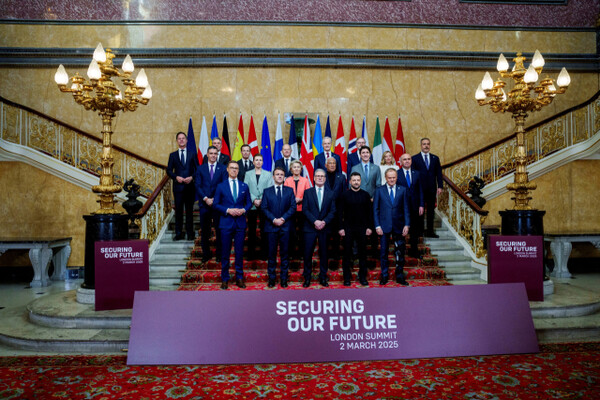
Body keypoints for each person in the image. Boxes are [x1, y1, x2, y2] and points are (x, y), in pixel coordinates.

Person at [214, 161, 252, 289]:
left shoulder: (244, 186)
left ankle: (239, 278)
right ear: (227, 169)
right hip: (226, 223)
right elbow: (216, 204)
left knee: (239, 252)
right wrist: (228, 210)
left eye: (236, 168)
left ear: (238, 170)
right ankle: (225, 279)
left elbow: (249, 203)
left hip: (240, 224)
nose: (234, 170)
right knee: (225, 253)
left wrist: (244, 210)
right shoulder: (220, 186)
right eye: (232, 168)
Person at [373, 168, 410, 286]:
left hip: (399, 226)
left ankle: (399, 276)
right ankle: (384, 276)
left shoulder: (403, 190)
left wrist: (407, 224)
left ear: (397, 177)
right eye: (389, 178)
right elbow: (375, 210)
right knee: (383, 253)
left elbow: (406, 209)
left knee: (400, 252)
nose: (392, 179)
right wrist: (377, 225)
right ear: (385, 178)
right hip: (384, 227)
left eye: (394, 177)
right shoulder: (379, 190)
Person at [261, 167, 297, 288]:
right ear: (273, 176)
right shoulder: (267, 191)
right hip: (271, 227)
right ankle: (272, 278)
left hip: (285, 226)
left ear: (284, 177)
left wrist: (283, 219)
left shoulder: (289, 190)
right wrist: (274, 219)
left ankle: (283, 279)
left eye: (282, 174)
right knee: (271, 255)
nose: (280, 176)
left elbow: (293, 207)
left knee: (285, 254)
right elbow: (264, 208)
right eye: (277, 174)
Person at [302, 169, 337, 288]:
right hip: (310, 228)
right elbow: (305, 209)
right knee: (307, 254)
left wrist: (324, 222)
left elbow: (333, 211)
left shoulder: (331, 193)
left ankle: (323, 277)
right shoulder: (307, 192)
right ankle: (307, 278)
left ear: (325, 178)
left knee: (324, 254)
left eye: (322, 176)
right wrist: (315, 221)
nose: (320, 178)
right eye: (318, 176)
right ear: (314, 178)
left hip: (325, 228)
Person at [338, 172, 373, 286]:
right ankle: (346, 278)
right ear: (350, 182)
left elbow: (370, 213)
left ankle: (362, 277)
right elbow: (339, 213)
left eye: (358, 180)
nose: (356, 182)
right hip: (348, 228)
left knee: (363, 254)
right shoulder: (344, 195)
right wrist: (341, 228)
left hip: (362, 228)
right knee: (347, 254)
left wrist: (369, 227)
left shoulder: (366, 195)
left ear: (360, 181)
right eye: (354, 180)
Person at [195, 146, 227, 262]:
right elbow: (198, 185)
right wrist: (205, 198)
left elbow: (223, 185)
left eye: (215, 153)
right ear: (207, 155)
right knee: (205, 231)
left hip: (217, 205)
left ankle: (219, 255)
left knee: (219, 231)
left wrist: (214, 199)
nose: (213, 155)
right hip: (204, 205)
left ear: (217, 155)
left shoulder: (223, 168)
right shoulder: (200, 169)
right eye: (211, 153)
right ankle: (206, 255)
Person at [166, 131, 198, 241]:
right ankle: (179, 233)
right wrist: (176, 177)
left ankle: (190, 233)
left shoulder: (192, 154)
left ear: (186, 140)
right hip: (178, 188)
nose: (181, 140)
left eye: (183, 138)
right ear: (177, 141)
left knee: (189, 211)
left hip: (190, 187)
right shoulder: (173, 155)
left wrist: (192, 177)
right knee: (179, 211)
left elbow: (198, 169)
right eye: (179, 138)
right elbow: (169, 170)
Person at [411, 138, 443, 238]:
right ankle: (420, 231)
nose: (426, 146)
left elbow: (439, 173)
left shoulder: (435, 158)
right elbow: (413, 175)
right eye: (424, 144)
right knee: (420, 210)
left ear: (430, 145)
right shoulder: (415, 158)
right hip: (419, 190)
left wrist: (440, 186)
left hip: (432, 189)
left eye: (428, 144)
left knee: (430, 211)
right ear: (421, 145)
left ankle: (430, 232)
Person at [244, 154, 273, 260]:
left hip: (264, 205)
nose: (259, 161)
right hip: (251, 205)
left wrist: (261, 200)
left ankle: (264, 254)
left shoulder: (268, 174)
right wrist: (254, 199)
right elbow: (246, 187)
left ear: (263, 162)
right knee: (251, 231)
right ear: (253, 162)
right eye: (257, 160)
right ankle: (250, 255)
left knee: (264, 230)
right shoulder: (248, 174)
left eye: (261, 160)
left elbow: (269, 189)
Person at [397, 153, 425, 259]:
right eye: (404, 159)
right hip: (401, 207)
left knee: (414, 230)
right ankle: (401, 250)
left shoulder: (417, 173)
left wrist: (421, 204)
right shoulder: (397, 173)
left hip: (414, 206)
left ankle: (414, 250)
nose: (407, 161)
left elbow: (421, 190)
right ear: (401, 161)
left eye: (409, 159)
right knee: (401, 230)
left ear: (411, 161)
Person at [284, 160, 311, 258]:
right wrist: (293, 200)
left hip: (302, 210)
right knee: (291, 232)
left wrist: (301, 199)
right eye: (294, 167)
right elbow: (285, 195)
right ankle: (291, 253)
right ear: (291, 169)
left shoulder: (305, 180)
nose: (296, 169)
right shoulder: (287, 180)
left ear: (301, 169)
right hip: (290, 211)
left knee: (301, 232)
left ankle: (301, 253)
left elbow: (308, 195)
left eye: (298, 167)